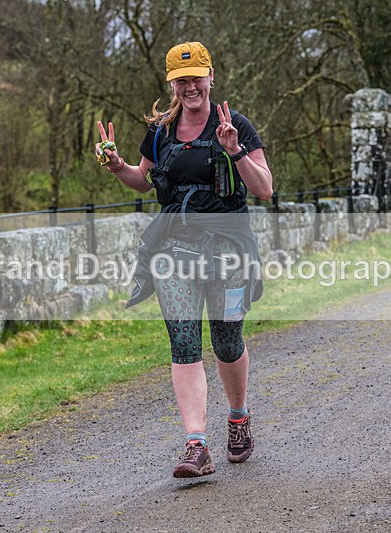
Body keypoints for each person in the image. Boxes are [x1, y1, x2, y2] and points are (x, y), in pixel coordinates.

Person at [95, 41, 272, 478]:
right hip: (174, 249)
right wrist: (117, 165)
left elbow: (264, 188)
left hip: (228, 248)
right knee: (184, 341)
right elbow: (142, 179)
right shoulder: (160, 131)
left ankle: (238, 417)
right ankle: (197, 443)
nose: (190, 86)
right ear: (171, 84)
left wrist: (234, 151)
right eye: (181, 79)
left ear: (211, 77)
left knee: (227, 341)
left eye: (197, 77)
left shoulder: (236, 125)